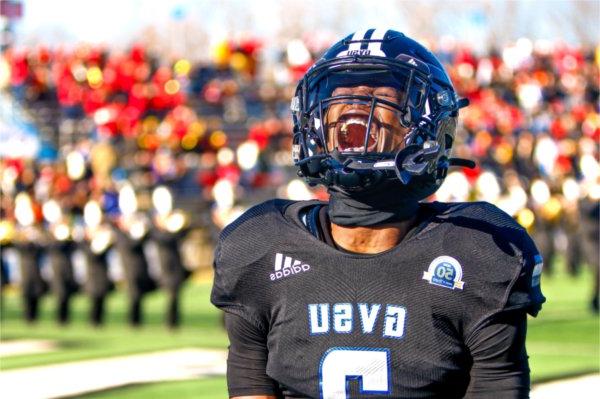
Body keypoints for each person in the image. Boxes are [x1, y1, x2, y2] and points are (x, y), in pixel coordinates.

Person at [211, 29, 545, 399]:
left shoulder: (481, 251)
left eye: (382, 96)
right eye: (340, 94)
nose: (355, 104)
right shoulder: (258, 245)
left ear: (427, 130)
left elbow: (498, 387)